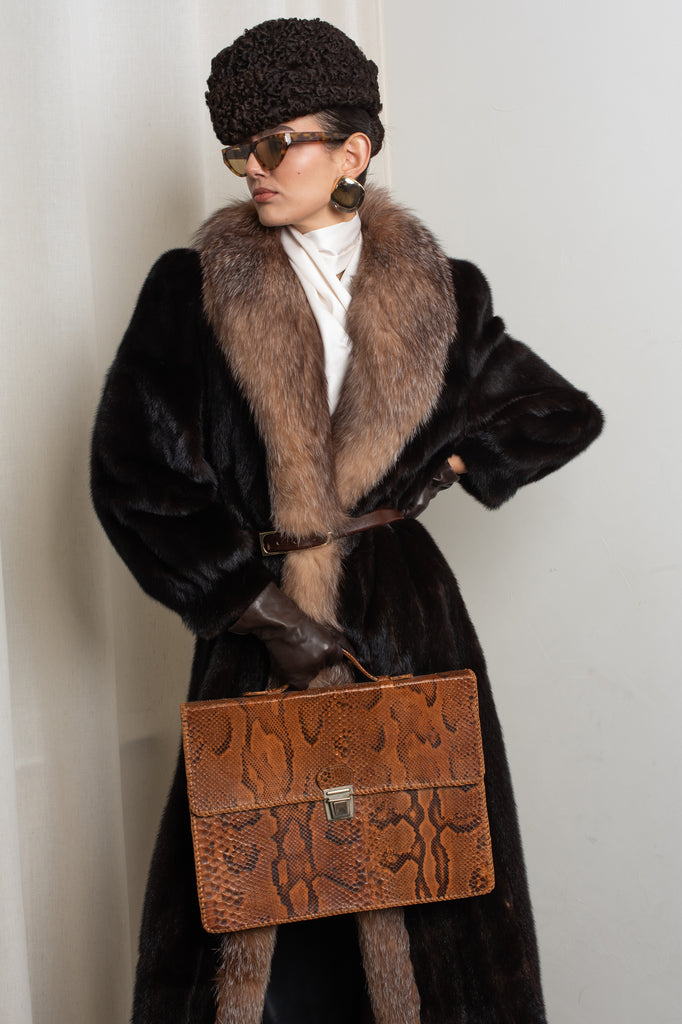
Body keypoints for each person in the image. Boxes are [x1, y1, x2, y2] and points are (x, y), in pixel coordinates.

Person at [91, 17, 603, 1024]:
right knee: (252, 909)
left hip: (404, 634)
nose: (253, 167)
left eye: (276, 142)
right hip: (256, 636)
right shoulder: (190, 291)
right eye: (239, 149)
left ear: (354, 151)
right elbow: (136, 475)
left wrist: (447, 463)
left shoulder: (441, 293)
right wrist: (259, 609)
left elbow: (556, 413)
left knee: (431, 904)